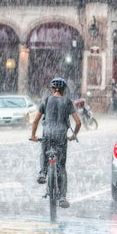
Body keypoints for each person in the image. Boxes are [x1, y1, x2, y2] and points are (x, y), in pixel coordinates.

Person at [30, 77, 81, 208]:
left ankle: (42, 172)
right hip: (61, 136)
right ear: (64, 90)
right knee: (61, 168)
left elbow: (35, 121)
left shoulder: (46, 100)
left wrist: (33, 135)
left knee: (44, 151)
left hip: (47, 134)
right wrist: (73, 135)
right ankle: (62, 197)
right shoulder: (68, 102)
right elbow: (78, 122)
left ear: (52, 89)